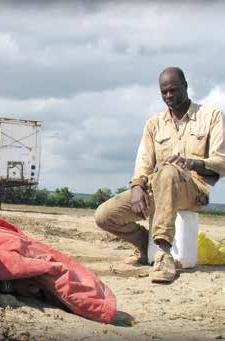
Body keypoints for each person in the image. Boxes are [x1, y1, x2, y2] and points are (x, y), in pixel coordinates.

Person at [95, 67, 225, 283]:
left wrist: (191, 163)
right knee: (105, 215)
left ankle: (164, 255)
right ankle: (145, 244)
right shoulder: (154, 123)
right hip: (158, 186)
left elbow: (222, 161)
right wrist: (137, 187)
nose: (168, 96)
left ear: (185, 86)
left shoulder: (211, 116)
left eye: (173, 90)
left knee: (169, 172)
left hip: (194, 190)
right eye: (164, 92)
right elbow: (143, 162)